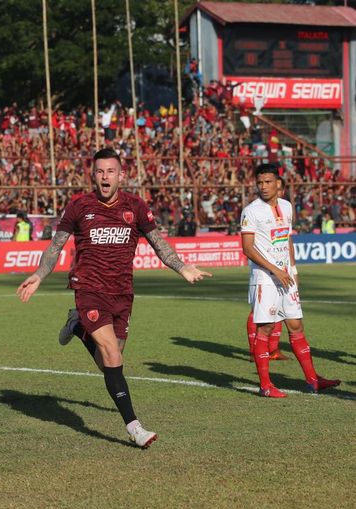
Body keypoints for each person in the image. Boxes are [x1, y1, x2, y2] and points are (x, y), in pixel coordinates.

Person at [17, 148, 212, 448]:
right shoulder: (79, 206)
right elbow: (56, 246)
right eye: (99, 171)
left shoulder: (135, 206)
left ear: (121, 175)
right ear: (92, 175)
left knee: (108, 360)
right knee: (112, 355)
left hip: (122, 293)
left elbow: (158, 243)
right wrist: (39, 274)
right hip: (89, 289)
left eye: (110, 171)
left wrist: (182, 266)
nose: (105, 176)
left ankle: (78, 328)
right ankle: (134, 428)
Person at [240, 163, 340, 397]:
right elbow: (247, 248)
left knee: (296, 325)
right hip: (265, 278)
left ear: (279, 184)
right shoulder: (251, 211)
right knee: (264, 329)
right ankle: (265, 386)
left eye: (268, 182)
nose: (263, 187)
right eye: (260, 183)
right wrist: (276, 270)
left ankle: (313, 380)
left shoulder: (286, 207)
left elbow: (286, 239)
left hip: (286, 277)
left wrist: (292, 269)